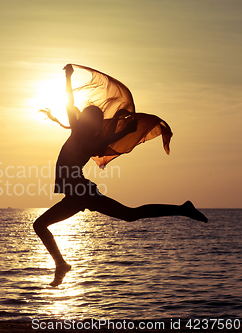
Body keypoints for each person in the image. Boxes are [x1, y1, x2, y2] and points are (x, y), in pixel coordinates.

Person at [33, 64, 208, 287]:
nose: (84, 117)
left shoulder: (89, 142)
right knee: (42, 225)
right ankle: (61, 265)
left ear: (93, 124)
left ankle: (183, 209)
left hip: (81, 194)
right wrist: (68, 77)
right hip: (76, 194)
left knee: (130, 215)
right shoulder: (77, 130)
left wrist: (125, 132)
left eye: (90, 117)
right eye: (86, 115)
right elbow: (69, 101)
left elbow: (100, 143)